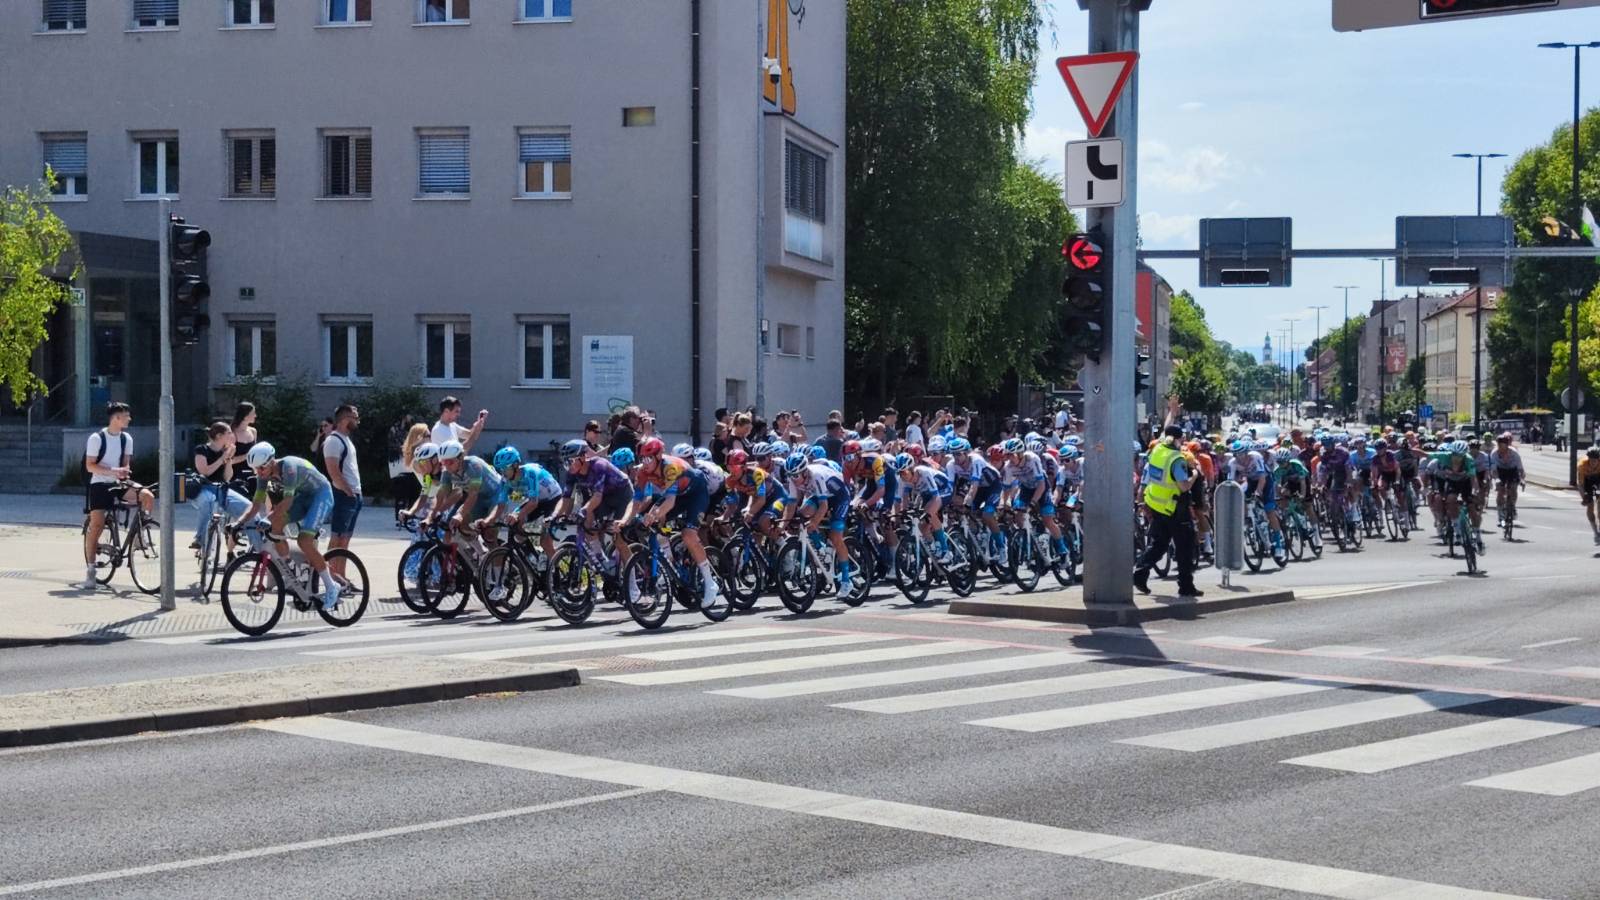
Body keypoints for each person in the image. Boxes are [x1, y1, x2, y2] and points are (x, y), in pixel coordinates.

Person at [241, 443, 341, 611]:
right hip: (303, 497)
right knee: (276, 526)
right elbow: (256, 504)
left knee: (304, 541)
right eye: (255, 470)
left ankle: (332, 587)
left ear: (271, 461)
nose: (259, 473)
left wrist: (267, 518)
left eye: (261, 468)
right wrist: (238, 524)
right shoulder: (263, 474)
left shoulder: (289, 467)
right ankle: (292, 569)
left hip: (321, 495)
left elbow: (287, 502)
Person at [81, 402, 153, 589]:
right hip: (99, 484)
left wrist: (124, 473)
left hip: (118, 482)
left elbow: (125, 465)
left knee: (147, 495)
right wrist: (114, 471)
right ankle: (91, 570)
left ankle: (139, 535)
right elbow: (90, 465)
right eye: (126, 415)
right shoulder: (97, 438)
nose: (129, 418)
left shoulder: (126, 438)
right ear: (116, 418)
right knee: (97, 524)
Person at [1134, 399, 1202, 597]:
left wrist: (1172, 412)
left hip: (1155, 503)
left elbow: (1166, 429)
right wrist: (1195, 474)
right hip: (1174, 508)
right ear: (1181, 440)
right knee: (1185, 547)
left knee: (1159, 543)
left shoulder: (1159, 448)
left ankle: (1140, 573)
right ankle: (1186, 586)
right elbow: (1184, 486)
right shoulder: (1177, 459)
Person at [190, 421, 251, 552]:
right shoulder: (202, 450)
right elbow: (205, 471)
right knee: (209, 501)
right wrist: (222, 458)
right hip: (203, 488)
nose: (232, 435)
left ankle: (249, 543)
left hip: (222, 489)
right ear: (219, 436)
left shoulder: (226, 452)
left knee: (248, 507)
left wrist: (228, 459)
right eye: (229, 432)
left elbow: (227, 477)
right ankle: (200, 538)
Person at [322, 404, 363, 578]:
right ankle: (331, 577)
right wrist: (348, 491)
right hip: (343, 495)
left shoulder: (347, 440)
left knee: (345, 539)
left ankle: (341, 577)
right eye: (355, 417)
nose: (357, 420)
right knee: (337, 537)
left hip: (353, 495)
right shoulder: (333, 440)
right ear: (345, 419)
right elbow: (333, 471)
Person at [1580, 447, 1600, 545]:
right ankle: (1596, 533)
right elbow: (1580, 484)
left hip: (1598, 480)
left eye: (1595, 460)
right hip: (1587, 481)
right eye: (1590, 460)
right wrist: (1584, 497)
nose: (1592, 462)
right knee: (1590, 507)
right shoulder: (1582, 465)